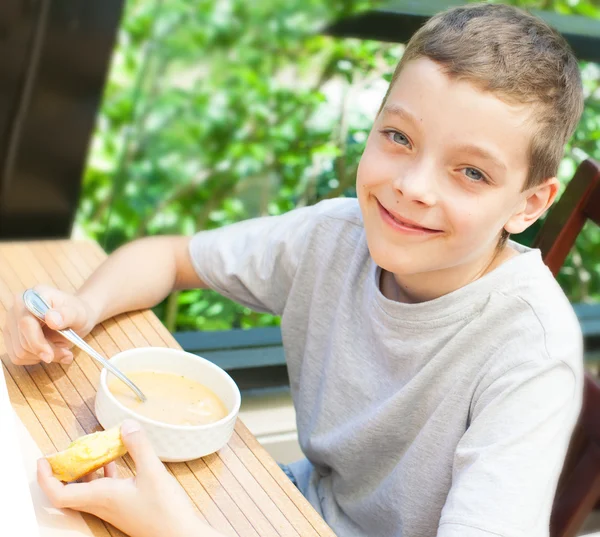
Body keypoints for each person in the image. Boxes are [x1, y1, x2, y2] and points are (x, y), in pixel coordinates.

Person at [3, 3, 586, 536]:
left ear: (529, 204)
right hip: (294, 504)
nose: (411, 187)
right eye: (399, 137)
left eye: (472, 173)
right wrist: (82, 307)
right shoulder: (335, 237)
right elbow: (170, 256)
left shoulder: (530, 352)